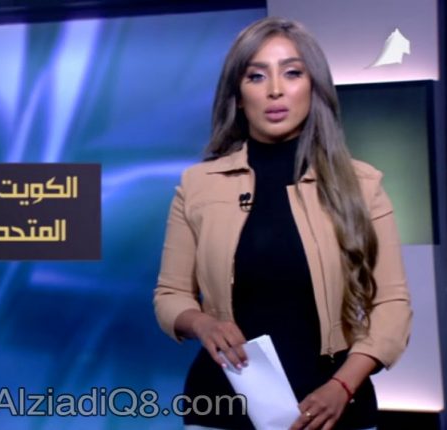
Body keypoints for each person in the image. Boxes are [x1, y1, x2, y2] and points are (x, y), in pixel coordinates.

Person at [154, 16, 412, 430]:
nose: (275, 89)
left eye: (292, 73)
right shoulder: (198, 185)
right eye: (256, 76)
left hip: (336, 406)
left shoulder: (363, 185)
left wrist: (342, 386)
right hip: (222, 404)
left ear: (314, 87)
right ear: (238, 95)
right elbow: (170, 294)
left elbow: (392, 304)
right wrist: (202, 323)